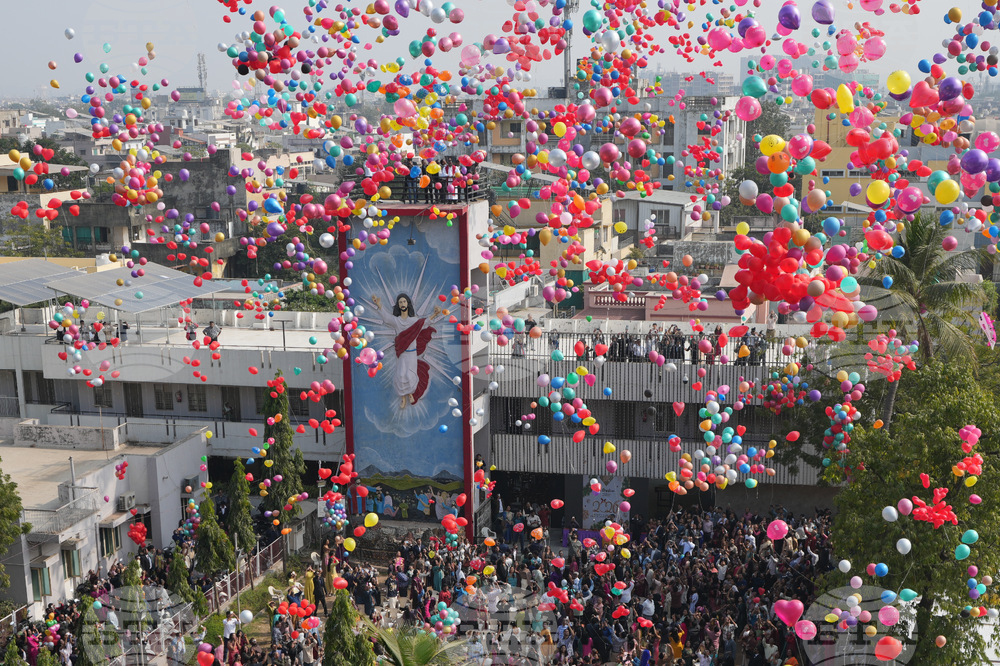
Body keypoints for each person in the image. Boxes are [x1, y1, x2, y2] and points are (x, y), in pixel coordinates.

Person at [369, 292, 444, 410]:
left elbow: (424, 323)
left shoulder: (414, 320)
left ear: (408, 304)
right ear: (398, 305)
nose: (402, 304)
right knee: (401, 375)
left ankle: (410, 394)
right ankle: (403, 397)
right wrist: (379, 305)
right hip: (402, 353)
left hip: (411, 353)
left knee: (410, 375)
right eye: (400, 302)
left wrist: (435, 314)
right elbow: (387, 318)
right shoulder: (396, 320)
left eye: (404, 301)